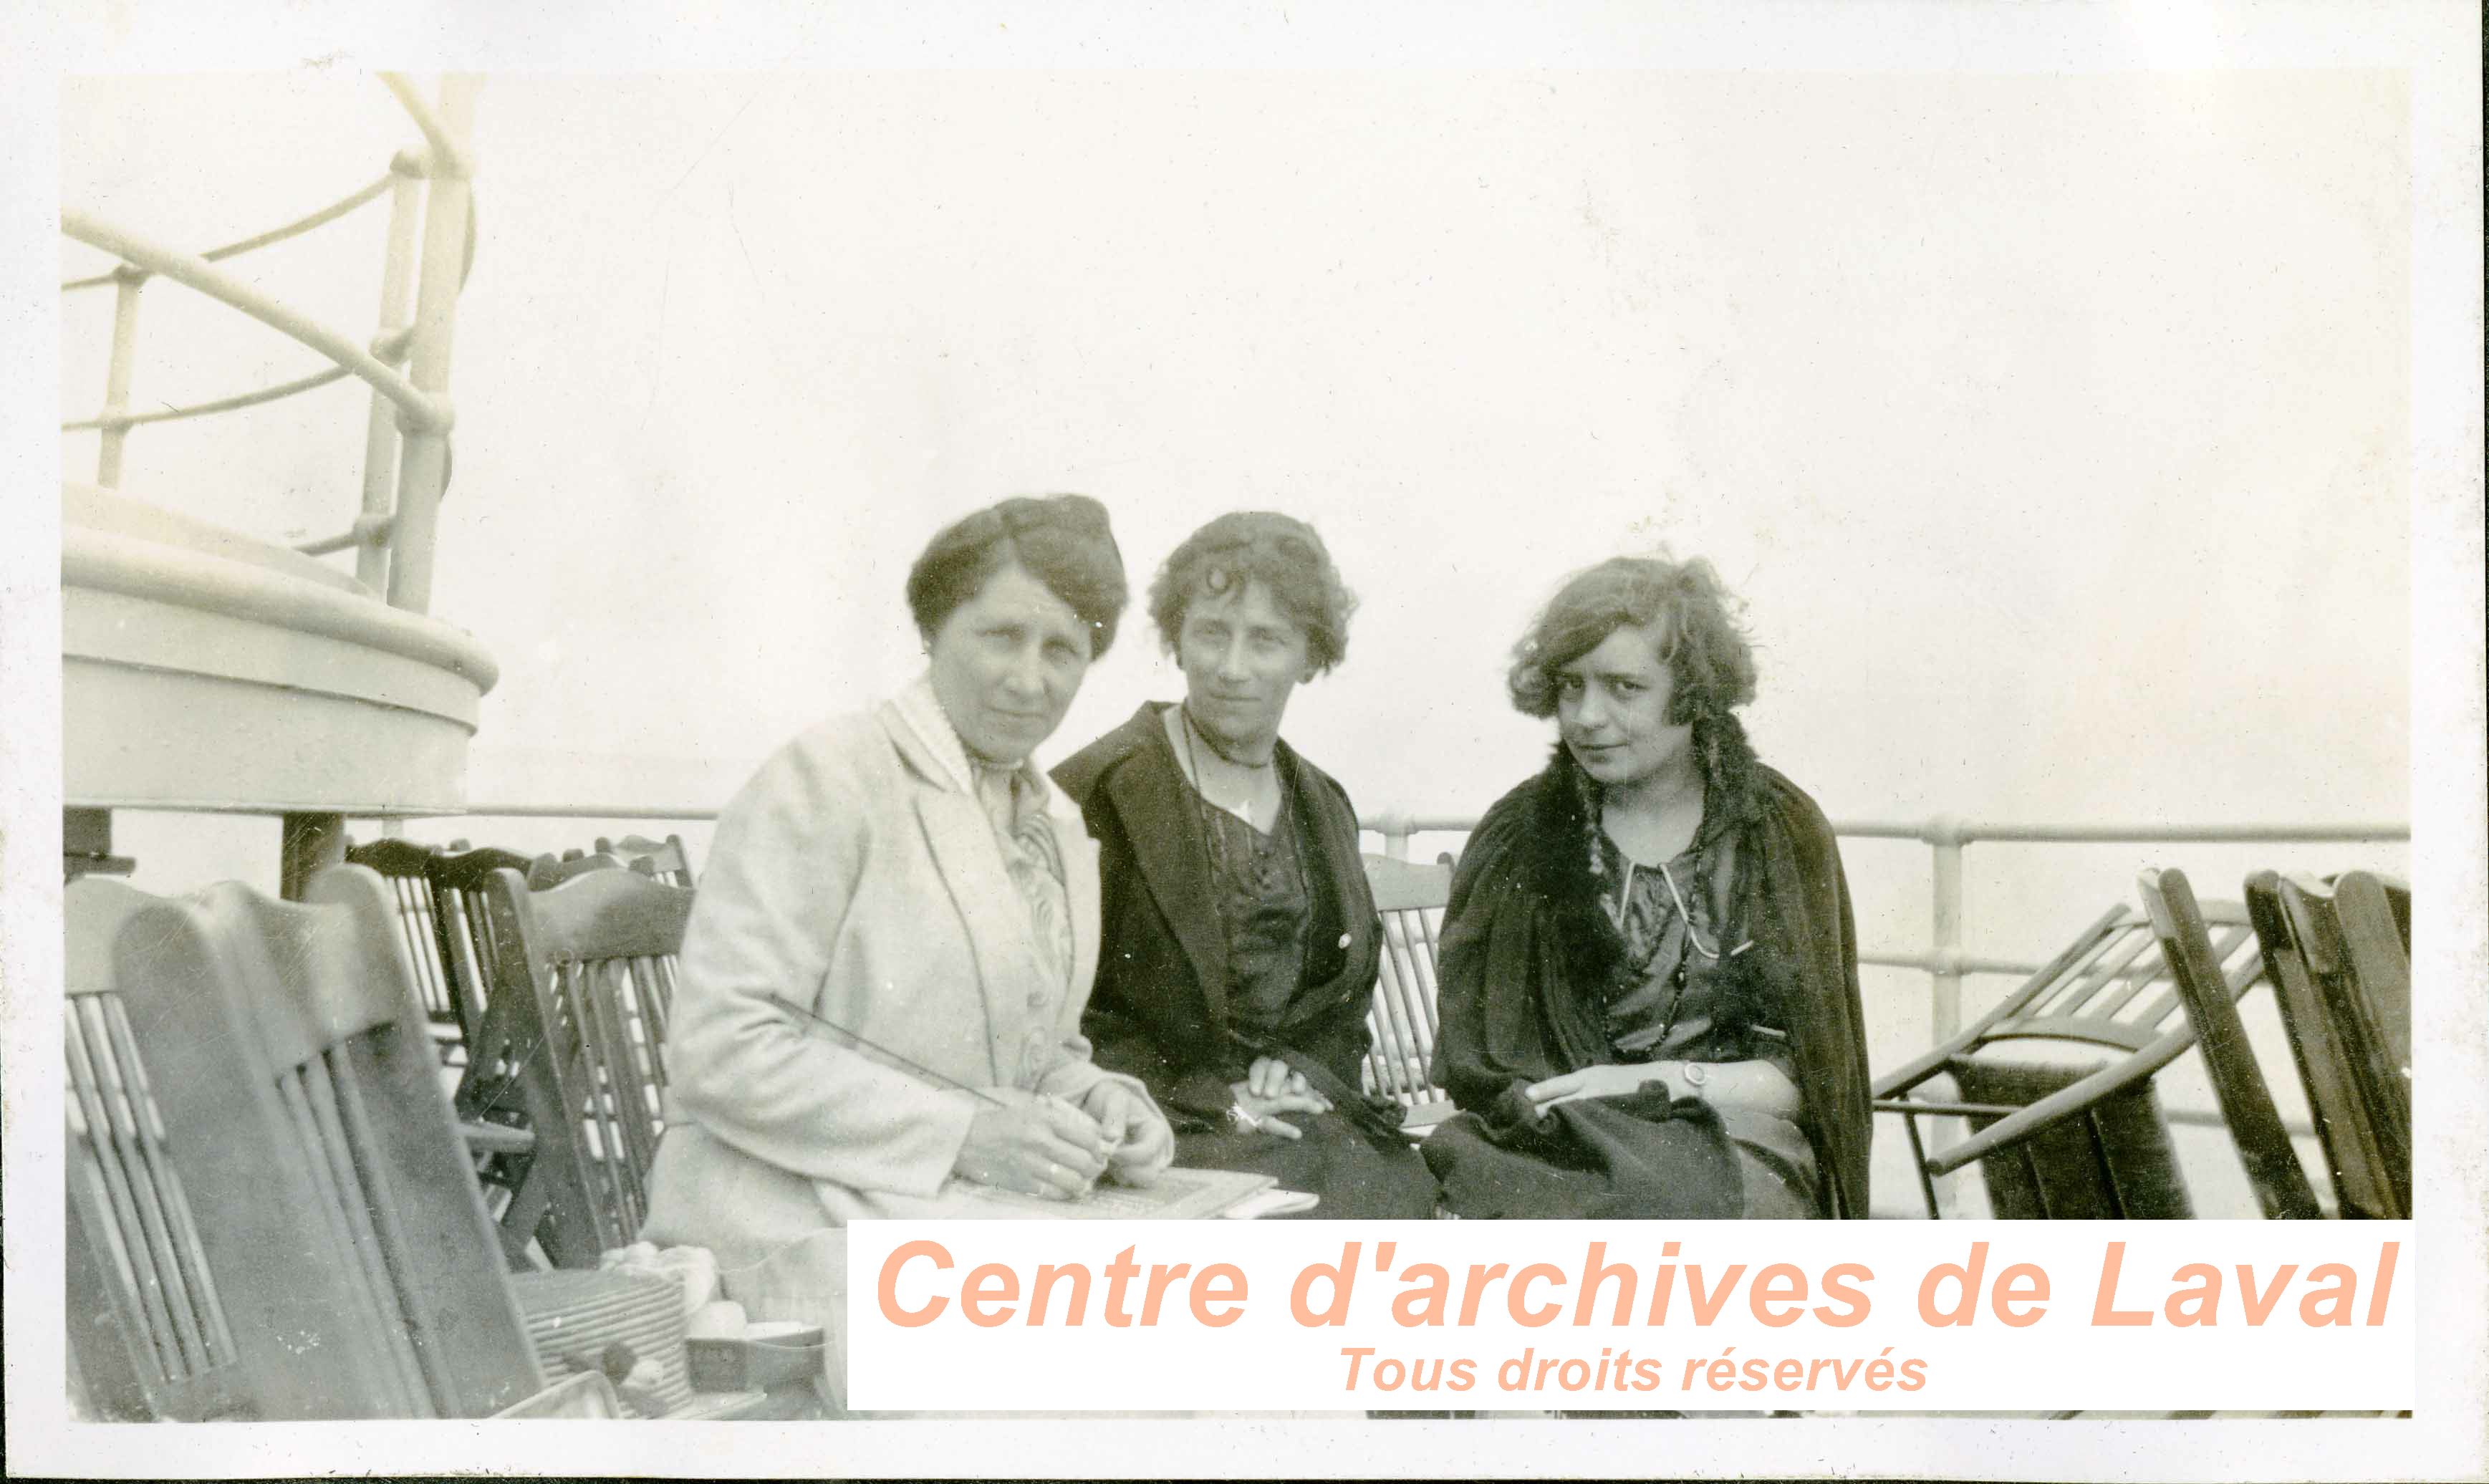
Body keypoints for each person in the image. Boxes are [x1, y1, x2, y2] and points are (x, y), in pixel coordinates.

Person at [639, 494, 1175, 1409]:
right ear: (934, 629)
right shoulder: (830, 775)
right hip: (788, 1219)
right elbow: (719, 1046)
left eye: (1063, 650)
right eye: (1000, 636)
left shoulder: (1055, 823)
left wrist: (1099, 1099)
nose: (1029, 678)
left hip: (943, 1208)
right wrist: (969, 1133)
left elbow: (1030, 1047)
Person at [1425, 554, 1870, 1220]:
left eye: (1623, 687)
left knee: (1678, 1209)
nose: (1586, 717)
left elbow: (1809, 1080)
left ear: (1691, 689)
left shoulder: (1774, 834)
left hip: (1733, 1134)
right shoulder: (1517, 835)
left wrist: (1647, 1083)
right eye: (1570, 686)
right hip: (1561, 1141)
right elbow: (1481, 1068)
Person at [1052, 511, 1438, 1220]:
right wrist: (1212, 1095)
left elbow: (1342, 995)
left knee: (1395, 1202)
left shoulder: (1322, 802)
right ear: (1177, 636)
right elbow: (1058, 1009)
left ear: (1308, 654)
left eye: (1265, 639)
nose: (1232, 666)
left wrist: (1297, 1066)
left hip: (1291, 1112)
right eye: (1211, 632)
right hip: (1153, 1123)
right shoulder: (1097, 789)